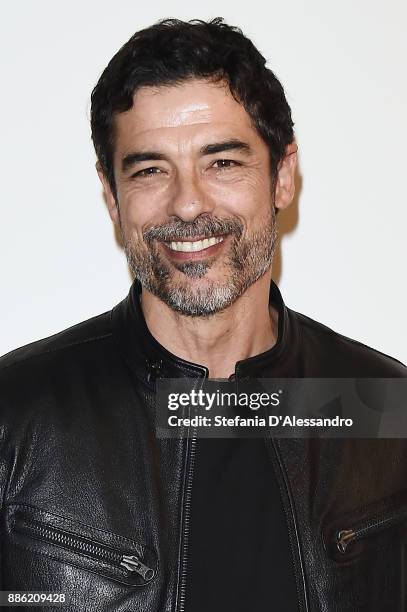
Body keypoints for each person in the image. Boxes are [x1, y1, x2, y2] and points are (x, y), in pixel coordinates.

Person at [0, 17, 406, 612]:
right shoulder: (15, 414)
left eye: (222, 163)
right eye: (149, 170)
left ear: (282, 176)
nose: (187, 203)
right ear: (112, 197)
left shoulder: (382, 407)